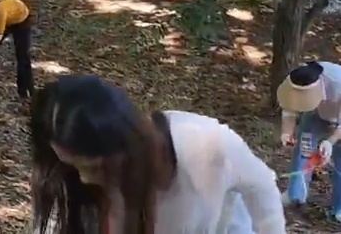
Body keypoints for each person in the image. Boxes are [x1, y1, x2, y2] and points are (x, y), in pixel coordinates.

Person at [30, 75, 285, 234]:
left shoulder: (208, 145)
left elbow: (262, 188)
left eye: (95, 168)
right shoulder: (80, 182)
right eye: (74, 167)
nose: (85, 179)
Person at [277, 60, 341, 220]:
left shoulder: (338, 83)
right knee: (304, 150)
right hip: (315, 116)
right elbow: (289, 110)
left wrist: (330, 141)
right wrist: (286, 133)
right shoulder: (295, 81)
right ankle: (296, 194)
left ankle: (339, 208)